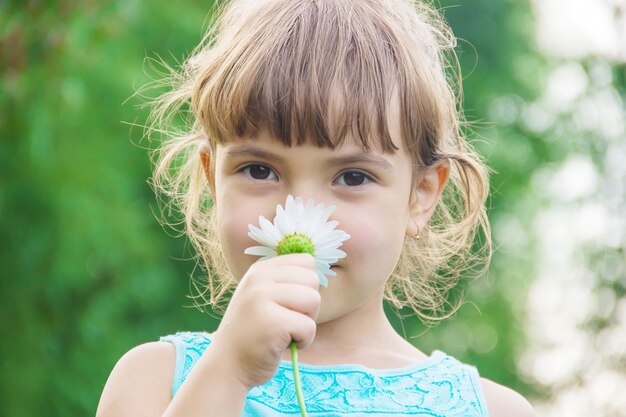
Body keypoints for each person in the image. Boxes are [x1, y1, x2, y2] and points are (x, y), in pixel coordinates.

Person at [96, 0, 537, 416]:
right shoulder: (152, 382)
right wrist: (229, 371)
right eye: (259, 170)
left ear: (420, 195)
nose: (300, 214)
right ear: (213, 178)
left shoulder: (493, 411)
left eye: (352, 177)